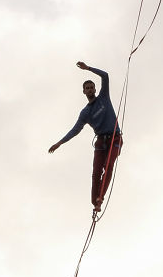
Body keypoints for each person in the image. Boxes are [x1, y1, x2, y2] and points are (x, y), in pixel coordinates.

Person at [48, 61, 123, 211]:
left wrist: (88, 68)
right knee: (96, 173)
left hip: (114, 138)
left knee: (108, 166)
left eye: (91, 87)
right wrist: (59, 143)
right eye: (87, 88)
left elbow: (105, 76)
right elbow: (75, 130)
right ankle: (95, 202)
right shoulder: (85, 113)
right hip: (101, 142)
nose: (89, 90)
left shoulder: (103, 97)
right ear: (84, 92)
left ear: (95, 89)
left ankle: (100, 198)